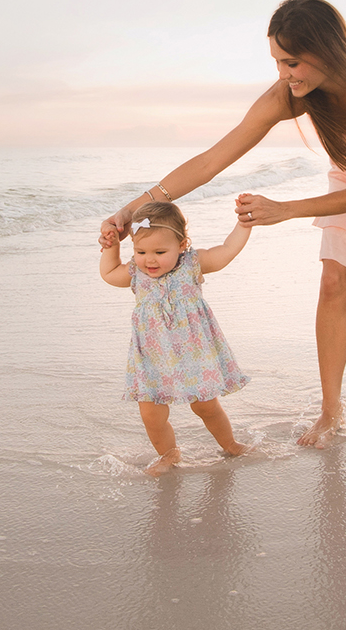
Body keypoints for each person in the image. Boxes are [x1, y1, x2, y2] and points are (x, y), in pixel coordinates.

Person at [101, 0, 346, 448]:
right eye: (277, 62)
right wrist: (131, 209)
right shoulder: (289, 95)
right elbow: (212, 159)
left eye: (292, 62)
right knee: (333, 284)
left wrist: (285, 209)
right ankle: (331, 410)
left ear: (327, 50)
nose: (284, 74)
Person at [98, 200, 255, 476]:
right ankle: (169, 454)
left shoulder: (192, 264)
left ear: (182, 245)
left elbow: (227, 251)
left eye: (160, 251)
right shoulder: (137, 272)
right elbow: (109, 274)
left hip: (193, 353)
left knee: (205, 406)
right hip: (152, 357)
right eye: (140, 251)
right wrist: (112, 247)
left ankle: (229, 443)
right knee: (151, 414)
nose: (149, 259)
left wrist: (243, 224)